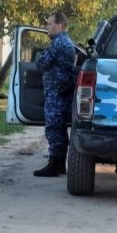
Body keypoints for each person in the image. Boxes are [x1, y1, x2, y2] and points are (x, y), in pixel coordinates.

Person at [33, 11, 76, 177]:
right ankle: (59, 164)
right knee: (59, 129)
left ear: (59, 25)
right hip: (60, 91)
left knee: (53, 128)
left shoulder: (59, 43)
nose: (47, 27)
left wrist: (38, 56)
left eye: (50, 24)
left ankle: (54, 164)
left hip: (57, 93)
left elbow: (42, 63)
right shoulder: (65, 42)